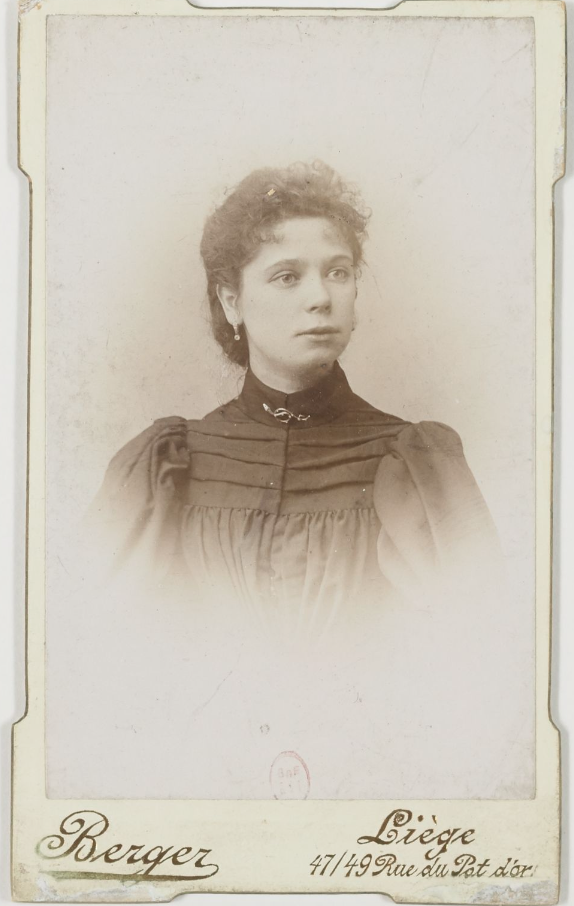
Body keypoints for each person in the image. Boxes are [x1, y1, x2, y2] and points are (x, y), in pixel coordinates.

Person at [56, 161, 525, 800]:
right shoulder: (167, 465)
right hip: (197, 787)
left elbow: (479, 680)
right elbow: (93, 674)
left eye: (338, 271)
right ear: (230, 300)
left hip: (373, 794)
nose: (320, 297)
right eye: (286, 276)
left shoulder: (414, 466)